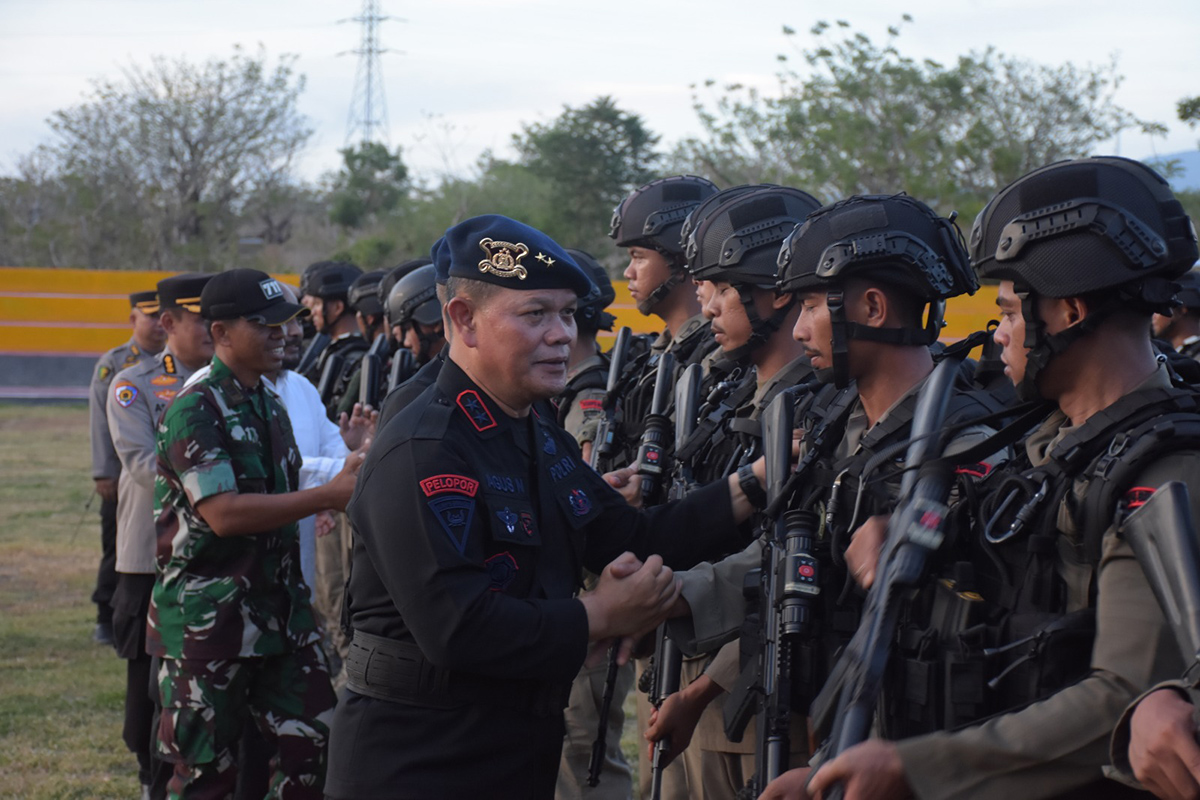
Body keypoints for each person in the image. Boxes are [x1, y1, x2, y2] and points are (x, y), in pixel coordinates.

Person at [766, 157, 1200, 800]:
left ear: (1070, 310)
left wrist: (914, 768)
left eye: (1009, 313)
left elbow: (1122, 695)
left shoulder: (1162, 471)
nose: (998, 336)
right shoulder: (1048, 450)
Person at [325, 214, 763, 800]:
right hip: (419, 758)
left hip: (514, 747)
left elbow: (629, 533)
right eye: (534, 315)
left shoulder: (532, 427)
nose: (561, 333)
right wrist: (602, 613)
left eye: (566, 314)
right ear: (463, 320)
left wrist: (755, 482)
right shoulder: (426, 447)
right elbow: (459, 627)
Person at [661, 192, 1000, 797]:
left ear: (872, 307)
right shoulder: (837, 433)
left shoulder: (967, 445)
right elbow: (791, 567)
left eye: (813, 305)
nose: (797, 328)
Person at [148, 268, 365, 798]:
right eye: (264, 324)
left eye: (286, 323)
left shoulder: (269, 403)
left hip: (280, 616)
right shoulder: (195, 408)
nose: (282, 334)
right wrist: (325, 497)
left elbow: (291, 481)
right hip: (209, 623)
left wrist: (347, 465)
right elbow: (223, 513)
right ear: (220, 333)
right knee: (204, 776)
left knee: (313, 747)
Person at [643, 184, 821, 800]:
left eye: (723, 290)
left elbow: (784, 570)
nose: (709, 308)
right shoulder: (729, 400)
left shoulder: (814, 411)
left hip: (755, 703)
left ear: (775, 294)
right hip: (690, 681)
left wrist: (699, 692)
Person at [107, 273, 213, 799]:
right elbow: (144, 464)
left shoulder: (234, 385)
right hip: (150, 555)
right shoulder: (133, 384)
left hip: (212, 556)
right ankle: (151, 779)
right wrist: (220, 488)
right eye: (200, 319)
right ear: (171, 323)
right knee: (147, 687)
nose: (212, 329)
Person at [89, 289, 165, 645]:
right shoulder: (116, 363)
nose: (156, 323)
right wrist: (104, 471)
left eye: (160, 315)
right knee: (116, 545)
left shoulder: (179, 363)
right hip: (124, 476)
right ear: (133, 319)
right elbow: (101, 423)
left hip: (159, 478)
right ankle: (106, 612)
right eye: (148, 316)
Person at [299, 260, 368, 419]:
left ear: (337, 307)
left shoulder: (354, 356)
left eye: (317, 304)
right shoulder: (332, 348)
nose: (313, 312)